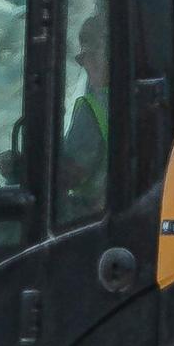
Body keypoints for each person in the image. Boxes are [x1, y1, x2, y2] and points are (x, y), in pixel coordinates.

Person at [58, 15, 110, 224]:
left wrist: (24, 170)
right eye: (82, 58)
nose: (86, 64)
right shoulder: (136, 98)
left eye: (91, 55)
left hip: (91, 216)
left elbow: (71, 173)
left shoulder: (92, 108)